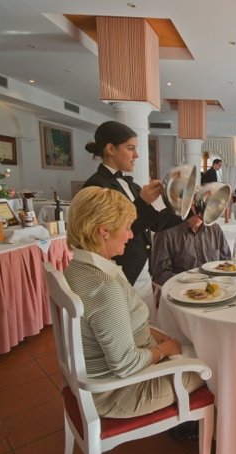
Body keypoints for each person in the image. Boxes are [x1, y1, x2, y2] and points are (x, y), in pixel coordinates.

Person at [63, 186, 203, 418]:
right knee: (216, 367)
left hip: (102, 376)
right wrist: (165, 349)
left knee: (189, 348)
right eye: (127, 227)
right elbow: (126, 365)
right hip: (119, 393)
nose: (131, 235)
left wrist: (153, 335)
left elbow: (111, 324)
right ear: (104, 232)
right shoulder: (104, 286)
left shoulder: (76, 269)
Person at [83, 120, 166, 315]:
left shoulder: (132, 185)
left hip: (142, 271)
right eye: (130, 148)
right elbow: (114, 230)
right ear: (110, 149)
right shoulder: (96, 186)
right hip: (120, 275)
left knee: (146, 328)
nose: (136, 155)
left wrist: (187, 209)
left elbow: (156, 224)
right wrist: (143, 202)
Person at [151, 208, 232, 285]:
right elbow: (160, 274)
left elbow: (227, 262)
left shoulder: (215, 229)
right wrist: (190, 282)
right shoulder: (165, 233)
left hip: (216, 289)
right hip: (182, 292)